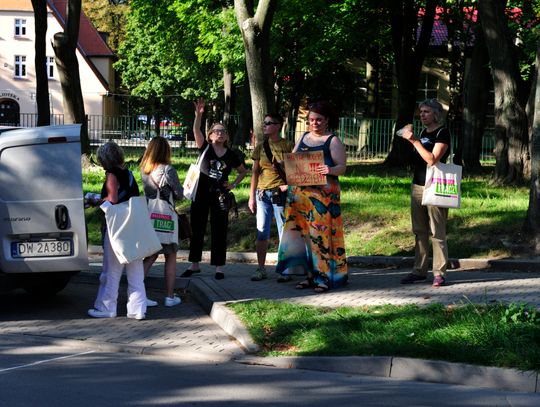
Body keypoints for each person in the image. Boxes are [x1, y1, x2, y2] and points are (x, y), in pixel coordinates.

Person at [275, 101, 348, 293]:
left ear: (327, 121)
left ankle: (323, 277)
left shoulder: (332, 140)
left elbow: (342, 167)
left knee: (320, 236)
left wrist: (330, 169)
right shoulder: (304, 136)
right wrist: (285, 169)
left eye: (318, 120)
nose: (314, 123)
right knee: (303, 236)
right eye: (311, 120)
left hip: (322, 198)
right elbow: (294, 161)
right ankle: (309, 275)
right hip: (299, 196)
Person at [181, 98, 248, 280]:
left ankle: (219, 267)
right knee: (197, 228)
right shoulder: (204, 148)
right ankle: (194, 265)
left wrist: (233, 184)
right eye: (216, 131)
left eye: (223, 131)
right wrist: (199, 115)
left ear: (226, 136)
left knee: (220, 229)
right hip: (200, 194)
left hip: (220, 196)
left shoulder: (232, 154)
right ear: (210, 135)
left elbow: (243, 171)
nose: (220, 133)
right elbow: (196, 130)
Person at [88, 141, 147, 320]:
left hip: (116, 229)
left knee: (111, 270)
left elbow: (112, 199)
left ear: (105, 160)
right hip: (133, 226)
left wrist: (95, 200)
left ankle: (107, 307)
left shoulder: (111, 174)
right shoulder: (128, 174)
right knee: (135, 271)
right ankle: (138, 309)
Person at [399, 98, 451, 287]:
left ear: (436, 114)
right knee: (419, 231)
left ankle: (439, 273)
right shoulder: (421, 132)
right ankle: (419, 271)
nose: (422, 115)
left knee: (437, 231)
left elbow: (432, 159)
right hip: (418, 186)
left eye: (426, 111)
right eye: (421, 112)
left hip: (436, 186)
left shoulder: (442, 133)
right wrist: (415, 140)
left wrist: (415, 141)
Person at [248, 113, 294, 281]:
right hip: (262, 194)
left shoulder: (289, 145)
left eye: (269, 123)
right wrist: (251, 196)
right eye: (264, 123)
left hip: (279, 193)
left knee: (284, 231)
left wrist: (288, 186)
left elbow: (297, 169)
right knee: (261, 232)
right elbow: (254, 172)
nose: (265, 125)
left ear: (278, 126)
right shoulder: (260, 146)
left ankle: (285, 270)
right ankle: (260, 269)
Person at [140, 137, 183, 307]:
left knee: (150, 255)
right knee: (170, 255)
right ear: (166, 151)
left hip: (150, 214)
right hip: (166, 216)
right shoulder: (169, 170)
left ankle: (137, 294)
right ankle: (170, 297)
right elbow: (179, 194)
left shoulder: (145, 170)